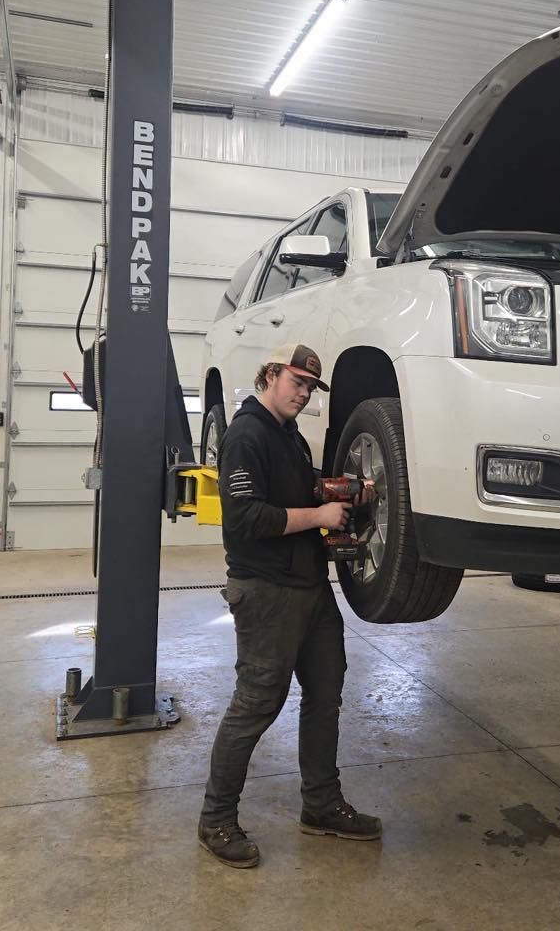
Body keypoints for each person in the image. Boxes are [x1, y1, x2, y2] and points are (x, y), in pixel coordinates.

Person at [198, 343, 381, 869]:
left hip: (310, 587)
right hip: (265, 591)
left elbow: (306, 498)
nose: (303, 393)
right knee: (256, 703)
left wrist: (346, 497)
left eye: (310, 387)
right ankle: (216, 821)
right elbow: (245, 520)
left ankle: (321, 806)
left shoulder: (291, 438)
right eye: (297, 381)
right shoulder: (247, 435)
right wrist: (319, 515)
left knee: (325, 694)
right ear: (271, 374)